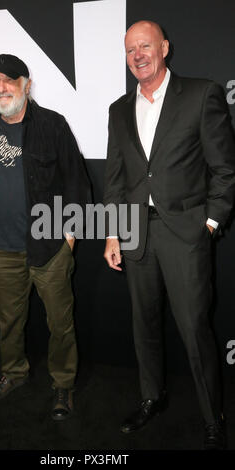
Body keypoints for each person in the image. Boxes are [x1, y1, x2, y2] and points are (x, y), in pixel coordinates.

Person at [103, 21, 235, 449]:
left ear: (164, 48)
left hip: (184, 235)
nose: (138, 55)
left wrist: (211, 222)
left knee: (195, 329)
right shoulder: (118, 109)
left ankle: (212, 416)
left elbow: (224, 168)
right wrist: (111, 234)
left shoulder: (201, 94)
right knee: (144, 326)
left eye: (145, 46)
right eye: (129, 50)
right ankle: (150, 397)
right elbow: (116, 179)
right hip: (136, 235)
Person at [0, 54, 90, 420]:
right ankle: (14, 373)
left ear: (26, 84)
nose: (1, 88)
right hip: (2, 248)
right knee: (8, 321)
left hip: (49, 246)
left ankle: (63, 385)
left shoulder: (52, 125)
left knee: (60, 323)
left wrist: (69, 234)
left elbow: (76, 181)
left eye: (9, 80)